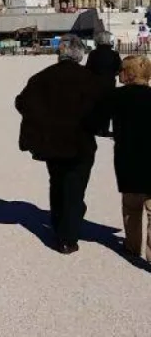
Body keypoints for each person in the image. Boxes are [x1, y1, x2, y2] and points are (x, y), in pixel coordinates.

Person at [15, 34, 105, 255]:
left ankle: (58, 226)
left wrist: (43, 120)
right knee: (75, 189)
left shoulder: (42, 77)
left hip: (52, 142)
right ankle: (68, 236)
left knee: (57, 184)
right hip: (80, 142)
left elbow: (21, 102)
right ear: (80, 54)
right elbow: (101, 111)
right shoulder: (90, 79)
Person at [91, 55, 151, 262]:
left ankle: (133, 246)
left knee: (131, 207)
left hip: (129, 158)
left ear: (128, 73)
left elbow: (98, 120)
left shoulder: (115, 96)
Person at [85, 30, 122, 137]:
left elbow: (88, 68)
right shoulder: (114, 54)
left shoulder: (93, 54)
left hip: (95, 83)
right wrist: (112, 74)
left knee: (96, 106)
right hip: (109, 83)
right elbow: (119, 68)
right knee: (107, 107)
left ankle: (96, 128)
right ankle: (104, 130)